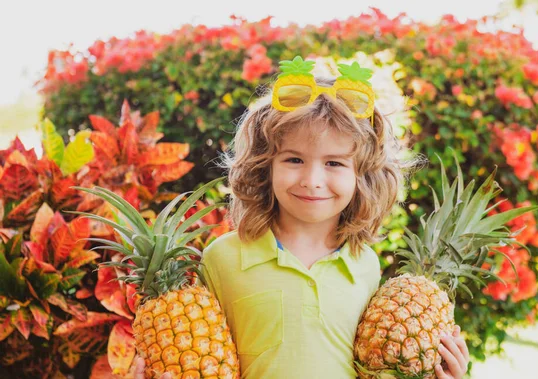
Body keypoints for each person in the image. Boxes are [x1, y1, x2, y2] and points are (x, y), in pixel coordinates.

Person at [133, 56, 469, 378]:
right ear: (265, 166)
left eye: (334, 163)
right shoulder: (222, 258)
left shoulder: (364, 264)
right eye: (294, 160)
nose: (312, 180)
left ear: (362, 176)